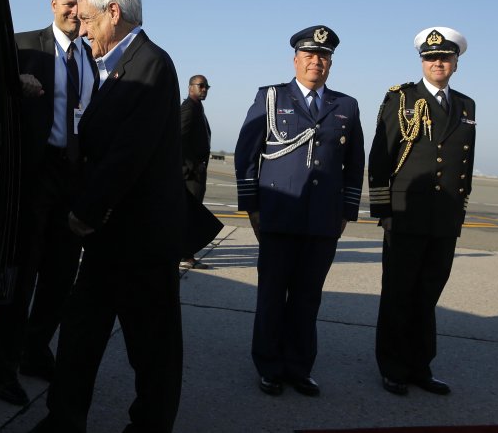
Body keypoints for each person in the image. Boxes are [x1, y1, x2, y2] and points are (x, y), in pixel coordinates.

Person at [31, 0, 186, 433]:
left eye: (89, 19)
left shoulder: (151, 66)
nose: (83, 30)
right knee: (79, 333)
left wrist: (83, 212)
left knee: (151, 348)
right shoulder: (111, 67)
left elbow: (127, 155)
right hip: (108, 237)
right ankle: (63, 419)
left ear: (113, 12)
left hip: (139, 240)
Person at [234, 25, 364, 397]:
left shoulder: (346, 105)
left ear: (330, 64)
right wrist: (252, 209)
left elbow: (355, 164)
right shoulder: (271, 97)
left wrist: (346, 213)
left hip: (323, 220)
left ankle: (299, 367)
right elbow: (247, 154)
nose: (316, 62)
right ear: (296, 60)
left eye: (323, 57)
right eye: (309, 55)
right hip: (278, 213)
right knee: (272, 295)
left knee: (308, 298)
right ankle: (269, 366)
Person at [0, 0, 97, 406]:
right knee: (21, 276)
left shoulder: (93, 57)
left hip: (74, 177)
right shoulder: (21, 47)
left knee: (60, 277)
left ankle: (34, 351)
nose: (73, 12)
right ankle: (2, 367)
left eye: (80, 5)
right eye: (67, 3)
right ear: (52, 4)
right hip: (33, 177)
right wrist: (15, 87)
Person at [368, 26, 475, 397]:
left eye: (445, 57)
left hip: (444, 219)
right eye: (431, 58)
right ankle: (393, 367)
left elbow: (466, 165)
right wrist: (384, 209)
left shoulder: (466, 105)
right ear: (422, 62)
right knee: (399, 293)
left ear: (456, 63)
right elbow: (381, 155)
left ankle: (420, 366)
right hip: (406, 213)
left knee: (428, 294)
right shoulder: (401, 99)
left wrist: (458, 214)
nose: (437, 63)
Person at [179, 74, 213, 270]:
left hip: (195, 174)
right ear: (190, 87)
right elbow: (178, 138)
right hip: (190, 176)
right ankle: (185, 255)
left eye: (207, 86)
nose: (204, 89)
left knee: (190, 214)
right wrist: (191, 167)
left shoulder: (197, 108)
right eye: (201, 86)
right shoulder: (188, 109)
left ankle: (184, 253)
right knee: (189, 216)